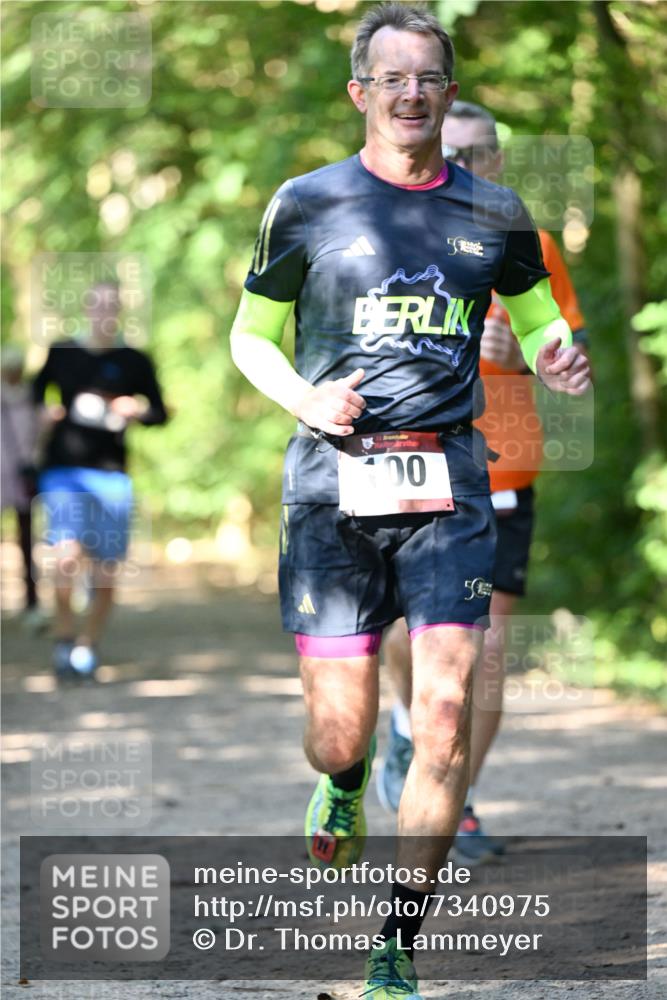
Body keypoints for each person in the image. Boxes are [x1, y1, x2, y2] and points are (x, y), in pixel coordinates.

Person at [231, 5, 591, 997]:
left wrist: (558, 354)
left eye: (426, 76)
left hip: (451, 485)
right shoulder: (305, 203)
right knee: (339, 730)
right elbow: (249, 337)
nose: (409, 93)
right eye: (389, 77)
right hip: (332, 484)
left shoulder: (493, 214)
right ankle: (343, 779)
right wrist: (303, 395)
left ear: (444, 88)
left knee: (440, 721)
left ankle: (395, 945)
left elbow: (537, 320)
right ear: (359, 92)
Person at [377, 101, 590, 866]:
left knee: (485, 652)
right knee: (409, 634)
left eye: (475, 152)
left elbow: (565, 336)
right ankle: (406, 731)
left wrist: (535, 348)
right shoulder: (388, 231)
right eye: (448, 150)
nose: (462, 165)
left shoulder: (522, 238)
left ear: (496, 161)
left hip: (502, 464)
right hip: (410, 458)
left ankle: (454, 796)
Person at [32, 281, 168, 678]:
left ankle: (87, 646)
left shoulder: (134, 361)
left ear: (119, 312)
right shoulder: (62, 352)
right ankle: (62, 639)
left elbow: (160, 412)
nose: (104, 313)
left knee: (105, 570)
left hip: (111, 477)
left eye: (112, 306)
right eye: (98, 306)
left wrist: (136, 409)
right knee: (66, 556)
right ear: (87, 309)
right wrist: (44, 415)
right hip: (63, 472)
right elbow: (35, 395)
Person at [1, 345, 45, 630]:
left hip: (23, 476)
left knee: (27, 540)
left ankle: (32, 604)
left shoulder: (32, 397)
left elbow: (39, 434)